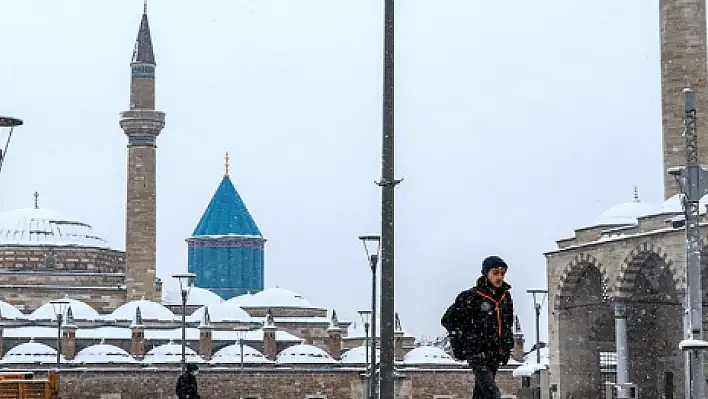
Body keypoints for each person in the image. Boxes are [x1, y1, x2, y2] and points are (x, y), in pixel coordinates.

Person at [441, 255, 514, 399]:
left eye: (502, 273)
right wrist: (466, 341)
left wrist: (506, 346)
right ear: (486, 273)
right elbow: (448, 320)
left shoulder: (506, 298)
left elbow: (507, 324)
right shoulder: (471, 297)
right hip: (477, 354)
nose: (499, 277)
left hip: (495, 354)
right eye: (495, 273)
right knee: (492, 393)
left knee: (481, 394)